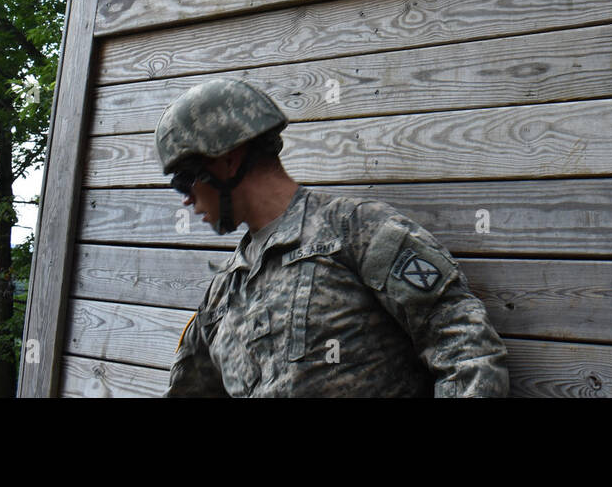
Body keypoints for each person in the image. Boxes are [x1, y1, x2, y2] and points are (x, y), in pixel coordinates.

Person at [156, 77, 509, 397]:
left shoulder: (356, 232)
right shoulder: (224, 293)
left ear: (228, 160)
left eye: (185, 179)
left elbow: (466, 346)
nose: (186, 199)